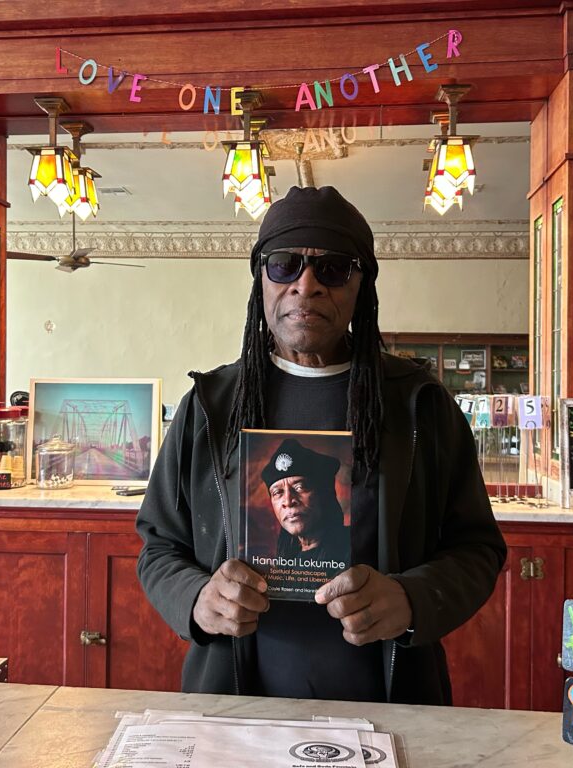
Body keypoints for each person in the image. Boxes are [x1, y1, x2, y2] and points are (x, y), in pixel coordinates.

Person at [136, 185, 506, 704]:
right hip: (234, 696)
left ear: (363, 285)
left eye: (334, 268)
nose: (305, 285)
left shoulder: (419, 405)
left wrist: (412, 599)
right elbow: (158, 545)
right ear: (260, 279)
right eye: (283, 264)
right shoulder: (210, 406)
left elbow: (477, 548)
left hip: (391, 697)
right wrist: (196, 599)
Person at [260, 437, 349, 561]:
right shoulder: (283, 563)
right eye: (277, 492)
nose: (288, 501)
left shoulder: (354, 548)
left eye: (300, 487)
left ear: (324, 493)